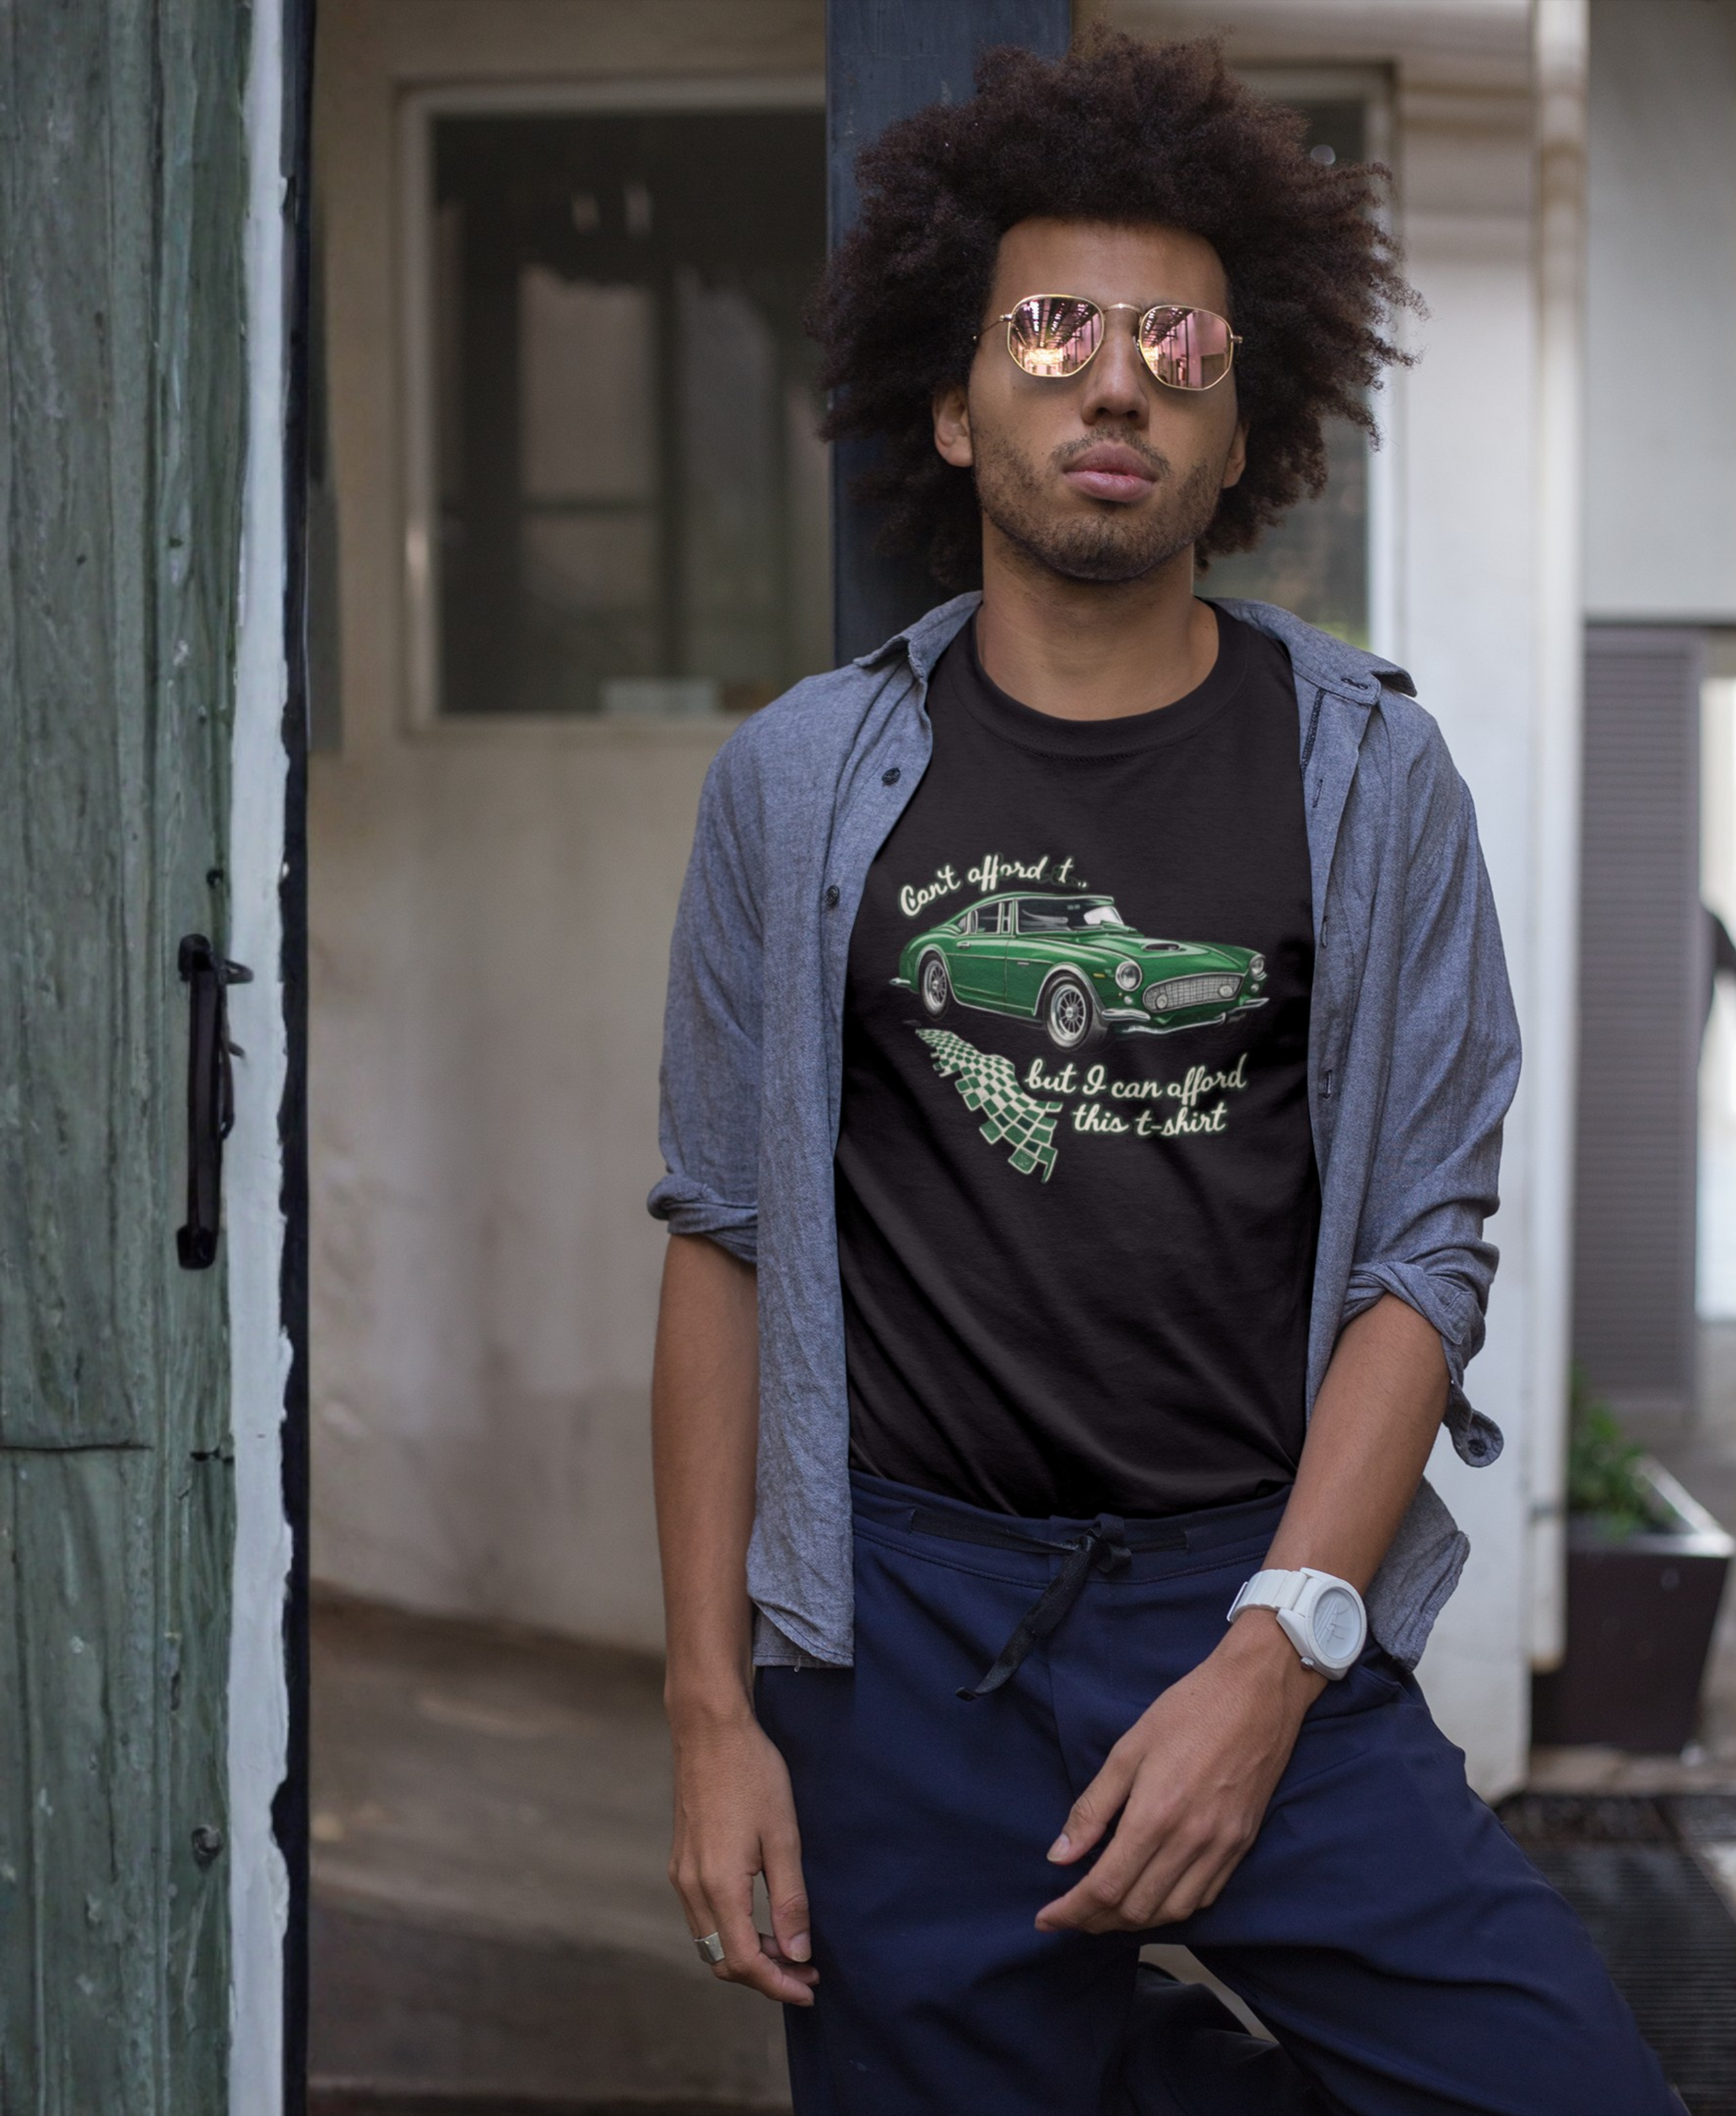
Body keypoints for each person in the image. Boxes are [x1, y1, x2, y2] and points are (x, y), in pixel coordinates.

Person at [647, 33, 1683, 2116]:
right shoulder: (792, 787)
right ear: (954, 404)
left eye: (1176, 345)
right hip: (899, 1638)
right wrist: (709, 1711)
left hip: (1255, 1592)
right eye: (1050, 329)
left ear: (1242, 434)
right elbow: (723, 1240)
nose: (1113, 381)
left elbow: (1423, 1255)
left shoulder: (1374, 779)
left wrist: (1275, 1654)